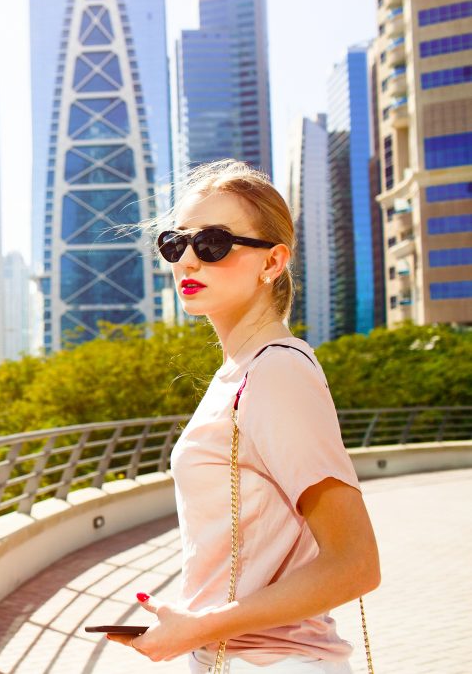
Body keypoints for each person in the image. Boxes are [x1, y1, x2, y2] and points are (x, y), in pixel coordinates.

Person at [105, 160, 380, 672]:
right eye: (174, 243)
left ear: (272, 262)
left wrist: (198, 627)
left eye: (212, 243)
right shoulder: (239, 372)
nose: (188, 261)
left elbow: (356, 565)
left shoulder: (277, 372)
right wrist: (190, 627)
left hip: (274, 663)